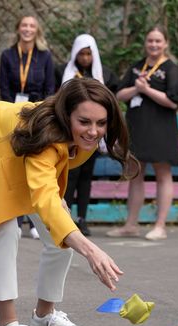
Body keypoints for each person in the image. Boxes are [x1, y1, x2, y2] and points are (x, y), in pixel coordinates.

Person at [0, 78, 137, 326]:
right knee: (6, 228)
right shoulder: (45, 135)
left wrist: (58, 211)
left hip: (19, 152)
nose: (93, 131)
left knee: (59, 231)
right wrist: (91, 250)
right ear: (66, 116)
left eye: (101, 123)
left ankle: (44, 316)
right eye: (84, 122)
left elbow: (49, 179)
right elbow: (44, 189)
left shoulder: (80, 136)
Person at [107, 26, 178, 241]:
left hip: (161, 129)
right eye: (150, 40)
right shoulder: (136, 67)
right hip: (137, 127)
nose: (154, 45)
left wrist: (147, 90)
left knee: (163, 174)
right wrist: (136, 89)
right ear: (145, 42)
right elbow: (119, 94)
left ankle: (160, 225)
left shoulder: (171, 69)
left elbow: (173, 101)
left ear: (165, 43)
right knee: (135, 175)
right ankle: (131, 224)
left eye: (158, 41)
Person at [55, 34, 119, 236]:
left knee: (86, 177)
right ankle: (64, 216)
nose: (85, 58)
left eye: (88, 54)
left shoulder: (104, 75)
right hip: (70, 133)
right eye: (81, 54)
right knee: (69, 174)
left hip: (92, 136)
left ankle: (82, 218)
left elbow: (111, 101)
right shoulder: (62, 72)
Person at [0, 15, 55, 240]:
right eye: (24, 25)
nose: (28, 29)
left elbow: (50, 88)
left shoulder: (45, 56)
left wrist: (39, 115)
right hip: (12, 115)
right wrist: (11, 113)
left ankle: (34, 221)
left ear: (37, 30)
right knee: (12, 165)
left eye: (32, 26)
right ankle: (16, 218)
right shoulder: (7, 55)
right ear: (18, 28)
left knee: (33, 165)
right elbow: (3, 87)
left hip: (37, 117)